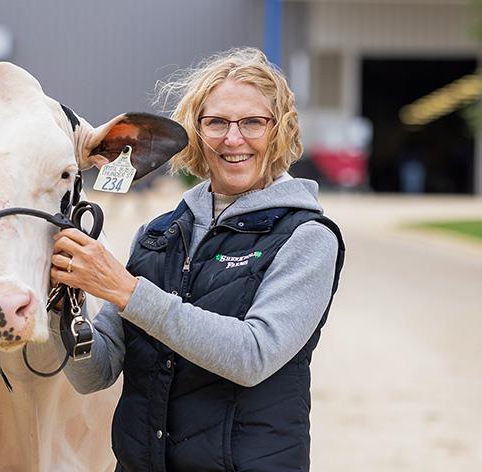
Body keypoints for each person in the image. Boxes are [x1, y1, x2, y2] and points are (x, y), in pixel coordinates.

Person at [50, 47, 345, 471]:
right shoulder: (156, 236)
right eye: (216, 122)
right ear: (196, 130)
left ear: (279, 130)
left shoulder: (308, 238)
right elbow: (94, 375)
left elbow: (253, 356)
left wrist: (126, 290)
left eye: (252, 122)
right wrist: (61, 312)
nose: (233, 138)